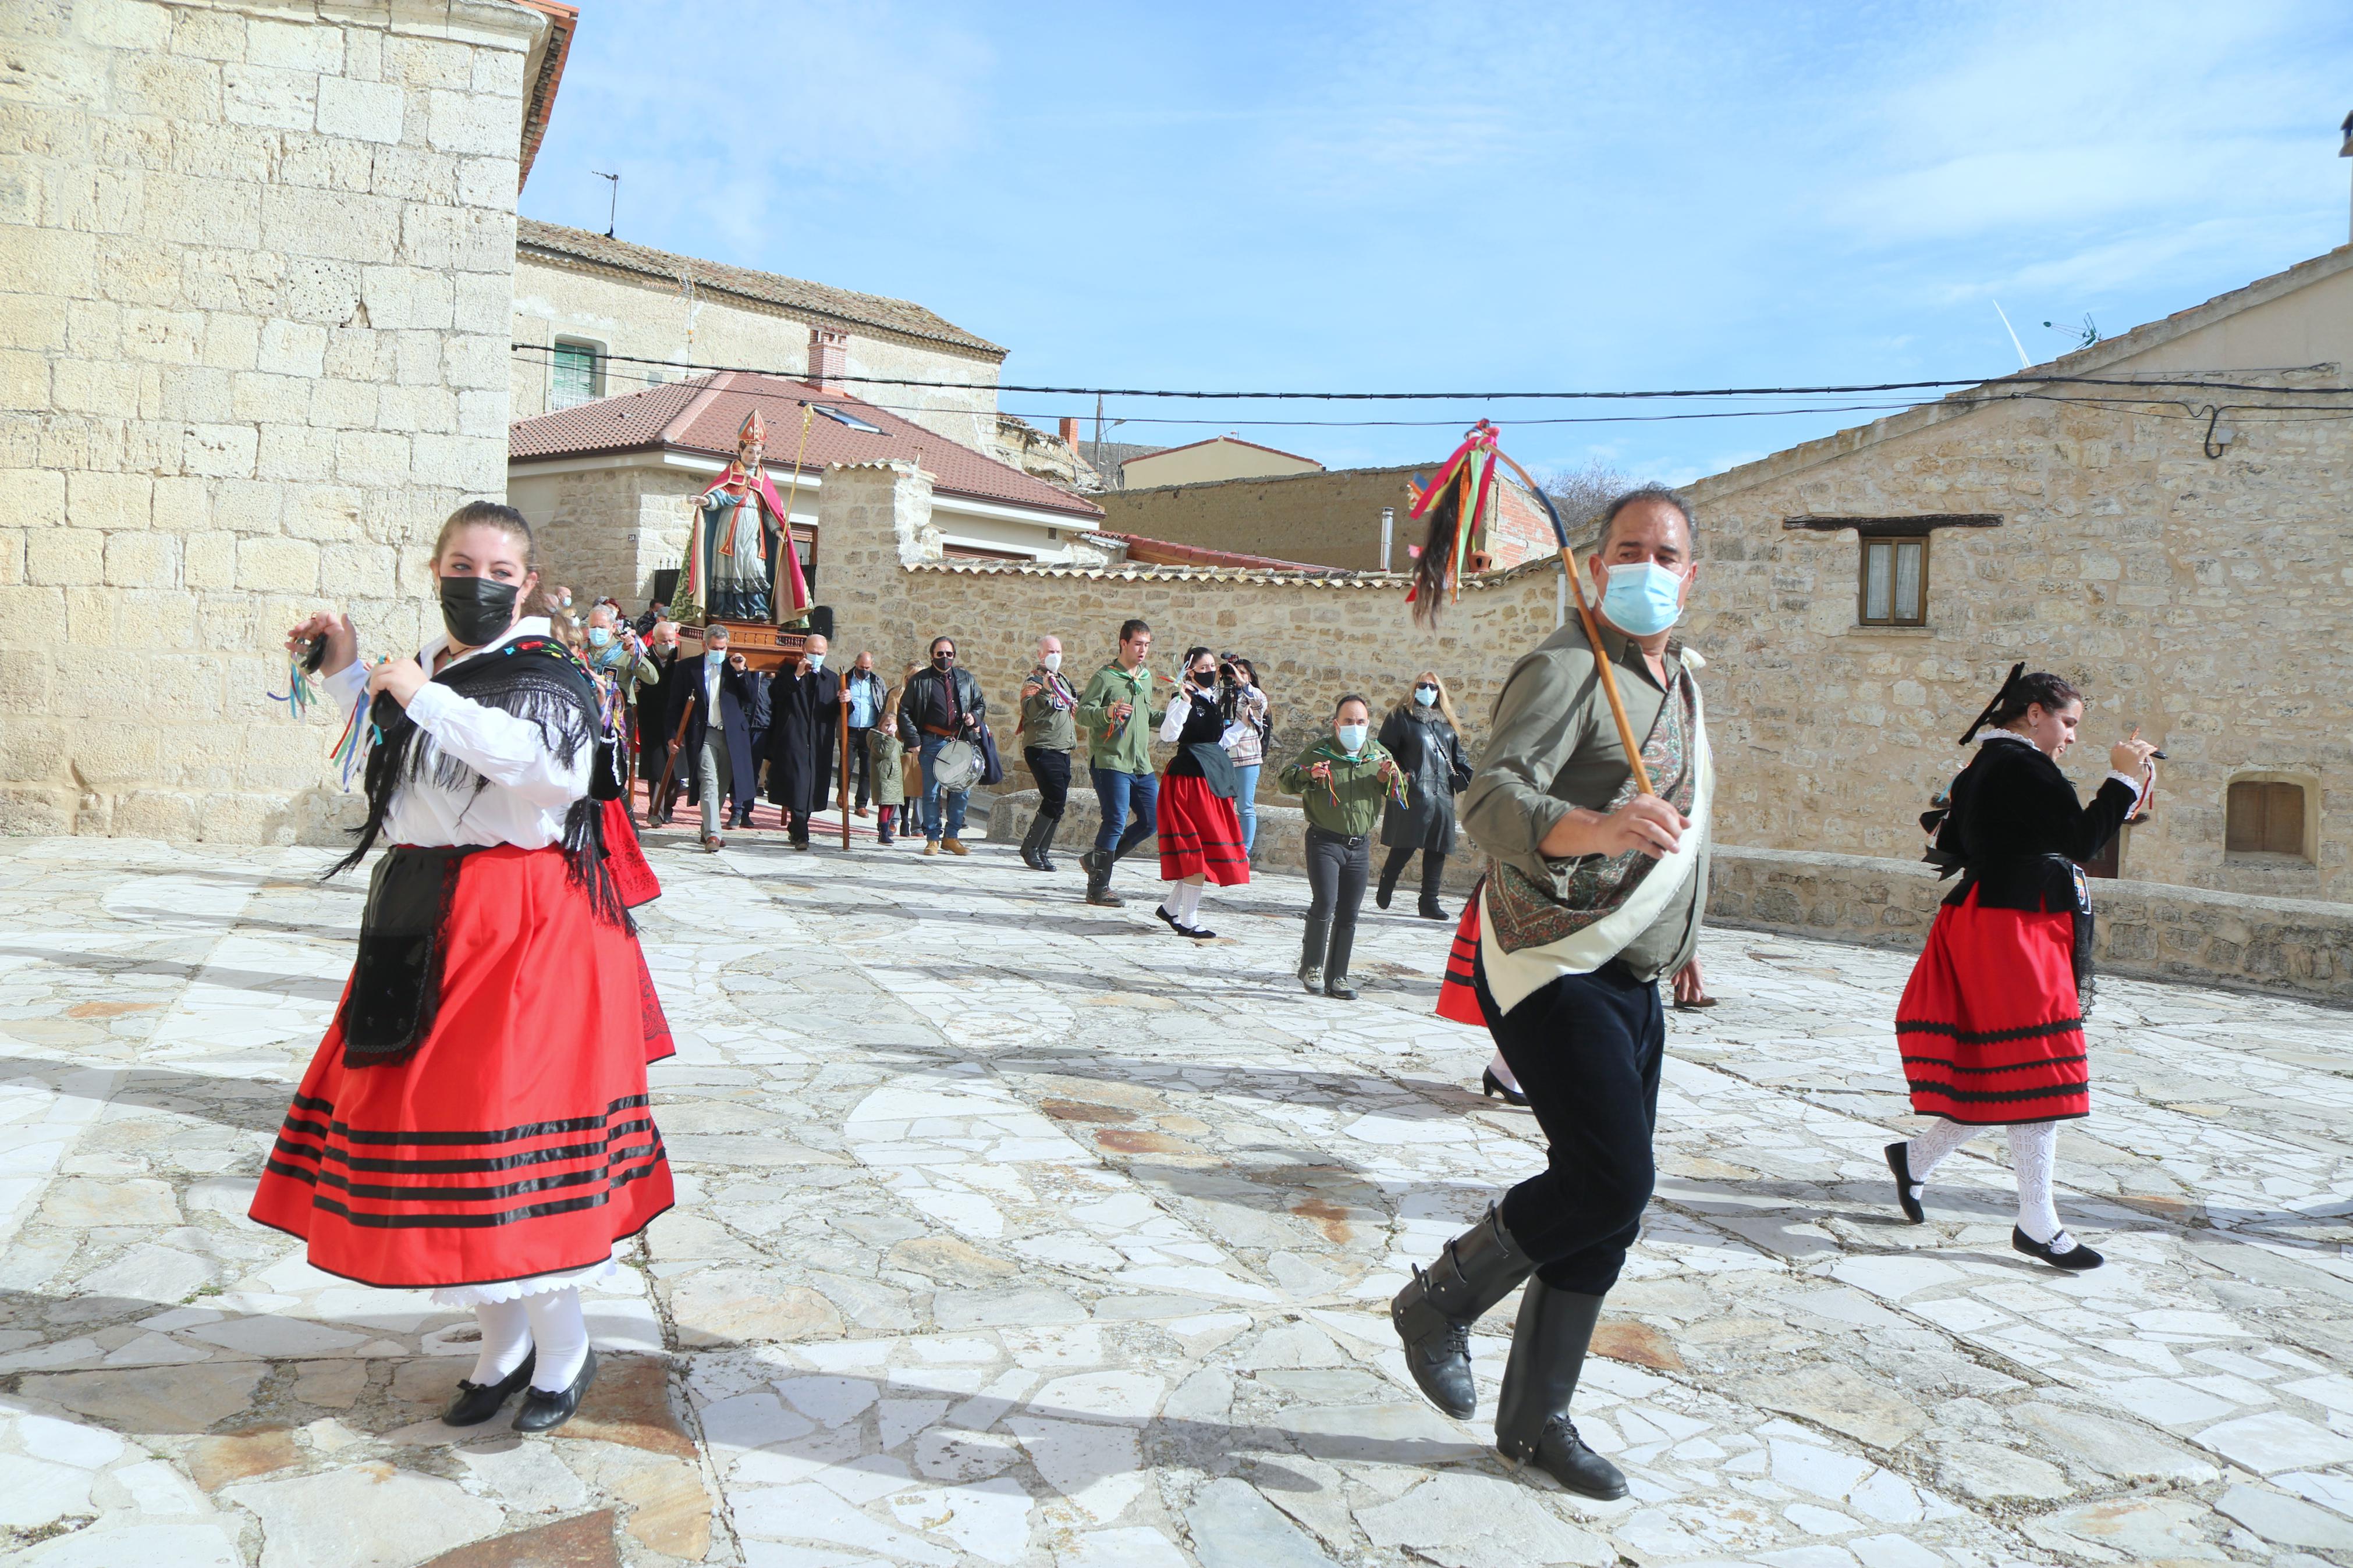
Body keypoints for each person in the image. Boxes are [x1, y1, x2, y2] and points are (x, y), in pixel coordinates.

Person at [250, 501, 673, 1435]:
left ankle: (563, 1350)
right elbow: (406, 755)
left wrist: (420, 693)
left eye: (494, 568)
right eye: (458, 562)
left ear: (526, 581)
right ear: (434, 567)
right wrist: (348, 669)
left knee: (509, 1146)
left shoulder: (550, 674)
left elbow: (545, 773)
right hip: (423, 917)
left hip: (524, 929)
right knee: (440, 1139)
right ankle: (503, 1345)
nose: (474, 580)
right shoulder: (443, 670)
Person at [1394, 486, 1714, 1502]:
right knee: (1609, 1180)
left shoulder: (1683, 684)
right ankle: (1438, 1303)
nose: (1647, 569)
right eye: (1628, 550)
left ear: (1689, 574)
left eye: (1665, 555)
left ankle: (1535, 1426)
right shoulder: (1566, 664)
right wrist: (1598, 827)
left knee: (1609, 1211)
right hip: (1550, 957)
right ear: (1596, 559)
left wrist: (1684, 938)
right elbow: (1486, 800)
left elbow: (1685, 827)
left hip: (1632, 967)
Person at [1886, 669, 2155, 1272]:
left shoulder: (1998, 765)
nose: (2070, 738)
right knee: (2039, 1071)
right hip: (2009, 929)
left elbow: (2049, 833)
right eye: (2067, 723)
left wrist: (2123, 789)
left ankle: (1916, 1160)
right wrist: (2119, 776)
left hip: (1999, 920)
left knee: (2004, 1070)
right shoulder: (2017, 766)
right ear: (2033, 713)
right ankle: (2036, 1223)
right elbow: (2081, 839)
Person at [1279, 695, 1402, 998]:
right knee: (1325, 903)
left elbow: (1400, 791)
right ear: (1337, 724)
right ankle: (1312, 967)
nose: (1355, 726)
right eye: (1348, 721)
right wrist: (1310, 775)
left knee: (1349, 912)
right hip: (1325, 841)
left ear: (1368, 724)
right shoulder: (1320, 752)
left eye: (1360, 721)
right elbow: (1285, 781)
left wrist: (1390, 779)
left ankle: (1339, 977)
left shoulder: (1378, 755)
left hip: (1359, 846)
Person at [1152, 646, 1252, 937]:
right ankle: (1189, 920)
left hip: (1208, 782)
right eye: (1204, 667)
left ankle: (1171, 910)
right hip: (1187, 782)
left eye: (1212, 666)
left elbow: (1218, 742)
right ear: (1190, 670)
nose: (1210, 671)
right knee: (1195, 851)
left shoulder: (1212, 701)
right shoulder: (1182, 698)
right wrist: (1183, 702)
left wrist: (1242, 726)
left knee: (1204, 849)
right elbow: (1169, 735)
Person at [1074, 619, 1163, 906]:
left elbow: (1147, 716)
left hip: (1141, 764)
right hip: (1110, 761)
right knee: (1115, 821)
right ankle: (1098, 888)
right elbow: (1083, 713)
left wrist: (1179, 714)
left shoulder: (1146, 678)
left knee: (1152, 821)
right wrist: (1108, 712)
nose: (1143, 650)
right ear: (1124, 643)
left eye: (1147, 645)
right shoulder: (1105, 677)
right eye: (1138, 643)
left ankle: (1094, 860)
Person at [1378, 670, 1475, 922]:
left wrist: (1479, 781)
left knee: (1437, 848)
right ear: (1414, 688)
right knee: (1405, 844)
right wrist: (1399, 771)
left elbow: (1458, 759)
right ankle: (1388, 880)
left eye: (1434, 687)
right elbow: (1385, 749)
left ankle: (1429, 901)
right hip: (1414, 792)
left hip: (1442, 793)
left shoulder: (1446, 724)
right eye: (1423, 685)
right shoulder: (1400, 718)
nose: (1429, 690)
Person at [668, 623, 758, 851]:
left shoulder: (734, 668)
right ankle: (714, 835)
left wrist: (740, 672)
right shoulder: (689, 668)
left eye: (724, 647)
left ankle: (708, 828)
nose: (720, 651)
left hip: (731, 736)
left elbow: (750, 698)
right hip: (703, 733)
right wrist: (672, 736)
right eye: (715, 647)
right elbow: (674, 705)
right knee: (709, 781)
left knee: (722, 785)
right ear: (705, 645)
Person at [898, 635, 985, 856]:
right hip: (932, 743)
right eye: (940, 654)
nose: (945, 658)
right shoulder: (920, 681)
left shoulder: (966, 679)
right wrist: (914, 741)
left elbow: (979, 703)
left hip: (960, 742)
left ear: (954, 656)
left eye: (949, 654)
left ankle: (952, 837)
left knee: (961, 791)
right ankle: (933, 839)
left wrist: (974, 717)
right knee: (931, 793)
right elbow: (905, 711)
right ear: (932, 656)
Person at [766, 633, 842, 849]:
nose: (816, 656)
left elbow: (840, 710)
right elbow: (775, 694)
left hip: (820, 741)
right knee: (798, 784)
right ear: (804, 651)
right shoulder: (789, 672)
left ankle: (797, 826)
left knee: (812, 787)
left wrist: (847, 702)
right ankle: (802, 835)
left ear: (826, 654)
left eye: (820, 653)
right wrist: (797, 677)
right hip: (794, 737)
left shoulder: (832, 679)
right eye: (813, 652)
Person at [1017, 634, 1078, 872]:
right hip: (1042, 748)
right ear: (1040, 654)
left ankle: (1041, 850)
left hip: (1062, 750)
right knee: (1053, 798)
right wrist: (1044, 690)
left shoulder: (1063, 681)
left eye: (1059, 652)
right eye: (1050, 652)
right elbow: (1029, 711)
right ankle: (1030, 848)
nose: (1055, 656)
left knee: (1058, 803)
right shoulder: (1034, 681)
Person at [1219, 655, 1271, 859]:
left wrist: (1244, 684)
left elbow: (1259, 702)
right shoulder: (1222, 693)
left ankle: (1244, 853)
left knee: (1245, 806)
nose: (1236, 677)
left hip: (1246, 758)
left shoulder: (1253, 697)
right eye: (1234, 672)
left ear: (1250, 676)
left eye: (1242, 672)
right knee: (1224, 806)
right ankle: (1225, 849)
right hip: (1223, 758)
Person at [638, 621, 687, 826]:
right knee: (657, 768)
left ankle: (668, 806)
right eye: (663, 641)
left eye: (670, 640)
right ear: (655, 641)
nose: (668, 644)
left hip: (677, 719)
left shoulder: (681, 657)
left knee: (676, 767)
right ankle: (655, 811)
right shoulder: (644, 658)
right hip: (652, 717)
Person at [843, 650, 886, 817]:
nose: (864, 670)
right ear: (856, 663)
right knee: (846, 766)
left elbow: (882, 704)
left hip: (870, 731)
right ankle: (843, 794)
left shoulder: (877, 682)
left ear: (872, 666)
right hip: (850, 729)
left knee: (867, 770)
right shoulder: (846, 680)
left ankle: (861, 804)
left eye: (867, 667)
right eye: (861, 667)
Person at [869, 677, 908, 847]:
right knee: (884, 808)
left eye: (892, 726)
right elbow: (883, 752)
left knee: (892, 807)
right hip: (884, 778)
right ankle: (883, 832)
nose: (889, 728)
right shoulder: (877, 738)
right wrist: (891, 737)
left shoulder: (894, 740)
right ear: (880, 725)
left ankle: (885, 831)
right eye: (886, 725)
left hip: (894, 779)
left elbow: (899, 752)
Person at [736, 662, 774, 830]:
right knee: (738, 770)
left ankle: (746, 812)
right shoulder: (750, 673)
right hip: (744, 725)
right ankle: (736, 809)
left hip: (762, 728)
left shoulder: (776, 680)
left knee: (753, 772)